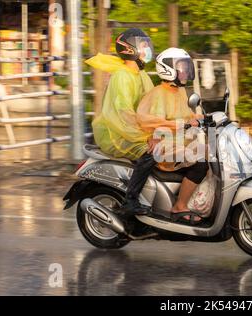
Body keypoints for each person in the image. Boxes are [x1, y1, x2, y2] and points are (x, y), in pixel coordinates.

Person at [85, 28, 155, 217]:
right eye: (143, 45)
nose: (147, 48)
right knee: (150, 154)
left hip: (133, 129)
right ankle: (130, 201)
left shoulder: (141, 75)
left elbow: (154, 102)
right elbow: (124, 115)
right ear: (130, 49)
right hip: (117, 134)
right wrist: (147, 135)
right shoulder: (122, 76)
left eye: (147, 44)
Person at [134, 47, 208, 224]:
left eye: (186, 67)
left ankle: (200, 200)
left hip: (180, 141)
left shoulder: (180, 91)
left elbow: (184, 115)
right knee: (201, 163)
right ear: (167, 69)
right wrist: (184, 124)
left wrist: (200, 117)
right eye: (182, 67)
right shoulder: (159, 93)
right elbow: (157, 122)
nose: (185, 72)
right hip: (165, 145)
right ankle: (179, 206)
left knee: (213, 154)